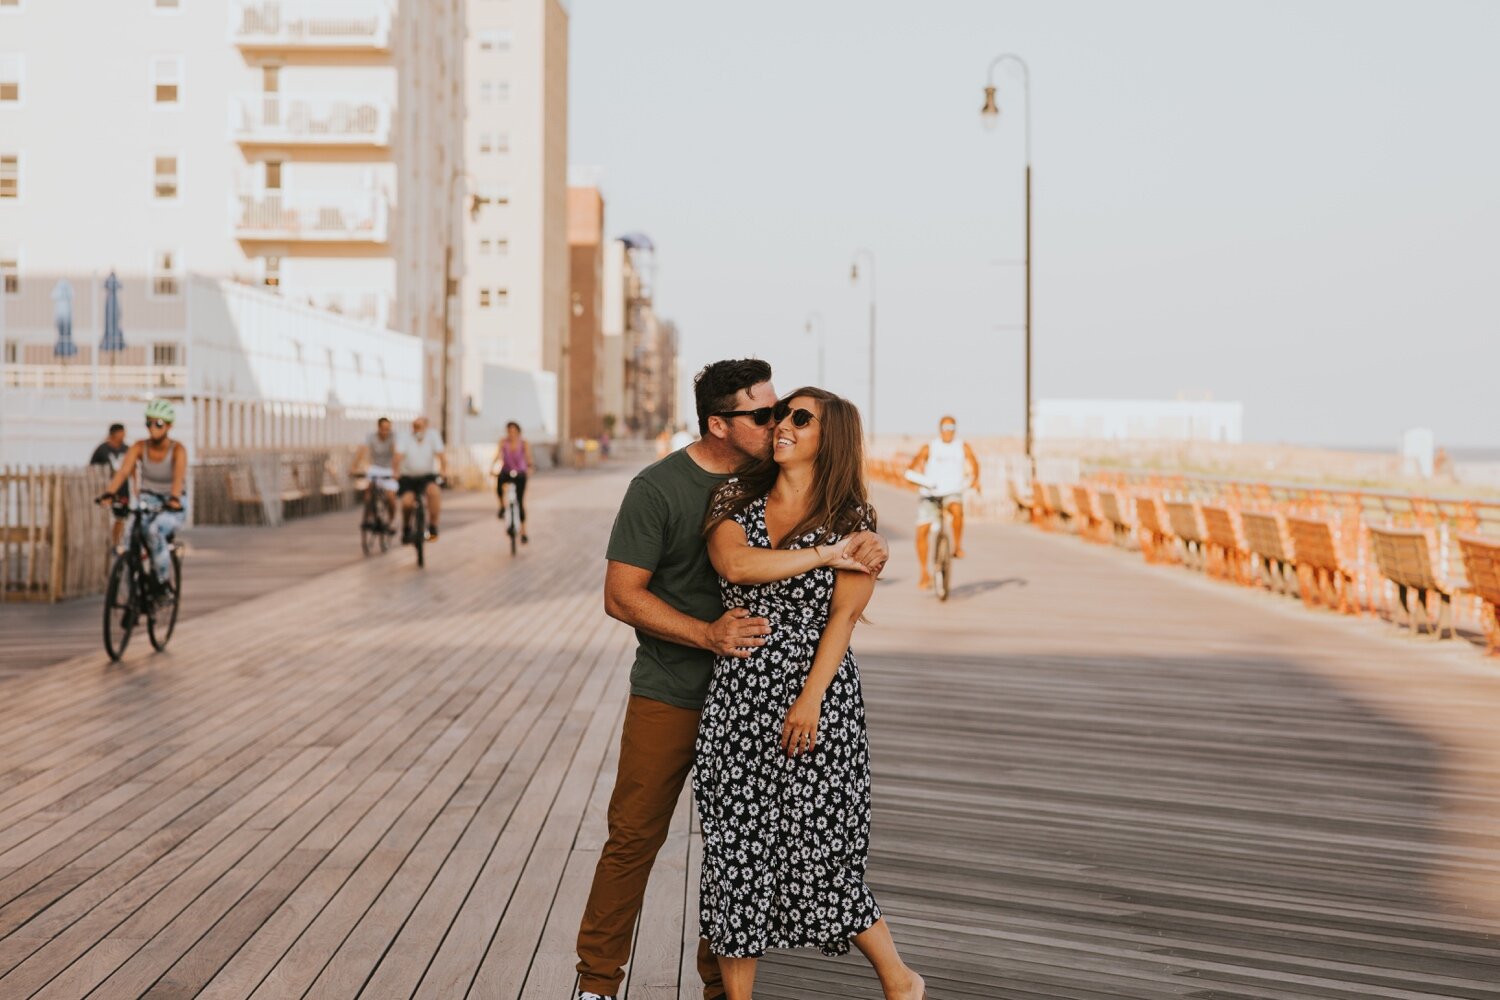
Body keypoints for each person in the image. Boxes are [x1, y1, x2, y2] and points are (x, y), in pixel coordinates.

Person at [575, 360, 890, 1000]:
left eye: (783, 411)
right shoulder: (661, 488)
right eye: (762, 415)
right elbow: (620, 595)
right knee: (634, 837)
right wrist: (707, 635)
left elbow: (843, 551)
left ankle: (721, 986)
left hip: (759, 698)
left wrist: (868, 547)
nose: (776, 423)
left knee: (740, 845)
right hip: (673, 688)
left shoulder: (776, 482)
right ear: (719, 424)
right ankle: (597, 986)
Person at [697, 388, 924, 1000]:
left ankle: (901, 982)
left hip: (816, 696)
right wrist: (824, 554)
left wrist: (809, 699)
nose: (783, 426)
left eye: (801, 418)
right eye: (780, 415)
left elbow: (842, 621)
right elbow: (736, 567)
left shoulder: (856, 520)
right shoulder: (735, 496)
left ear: (833, 438)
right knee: (734, 858)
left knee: (821, 853)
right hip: (739, 697)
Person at [96, 400, 188, 600]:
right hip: (147, 499)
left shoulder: (177, 449)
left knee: (155, 532)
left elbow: (178, 478)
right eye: (149, 423)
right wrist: (109, 493)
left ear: (169, 426)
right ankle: (133, 596)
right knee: (130, 540)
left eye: (159, 424)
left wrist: (173, 498)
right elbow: (123, 472)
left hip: (172, 503)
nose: (153, 428)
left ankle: (162, 583)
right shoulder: (139, 447)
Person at [907, 414, 981, 590]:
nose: (949, 432)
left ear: (955, 430)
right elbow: (914, 466)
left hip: (952, 491)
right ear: (939, 429)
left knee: (957, 510)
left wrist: (976, 479)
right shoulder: (930, 447)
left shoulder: (962, 446)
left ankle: (957, 546)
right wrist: (915, 478)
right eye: (945, 428)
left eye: (952, 428)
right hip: (930, 492)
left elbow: (974, 463)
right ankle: (924, 572)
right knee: (922, 531)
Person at [397, 416, 446, 542]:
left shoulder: (433, 436)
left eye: (419, 426)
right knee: (407, 502)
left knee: (434, 492)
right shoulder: (405, 437)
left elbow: (441, 455)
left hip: (427, 476)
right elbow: (397, 456)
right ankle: (407, 527)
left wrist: (443, 470)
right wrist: (395, 471)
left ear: (426, 427)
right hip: (408, 477)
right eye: (414, 426)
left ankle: (433, 527)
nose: (416, 429)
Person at [352, 416, 401, 532]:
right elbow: (362, 451)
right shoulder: (371, 437)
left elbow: (396, 454)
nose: (385, 431)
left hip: (389, 469)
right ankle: (369, 517)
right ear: (378, 428)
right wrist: (354, 466)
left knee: (390, 496)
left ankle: (391, 520)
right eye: (383, 428)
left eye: (388, 429)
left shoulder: (393, 437)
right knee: (369, 490)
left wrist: (396, 470)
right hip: (375, 468)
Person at [491, 421, 535, 543]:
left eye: (514, 431)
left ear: (518, 432)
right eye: (509, 431)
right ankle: (502, 507)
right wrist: (492, 467)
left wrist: (530, 467)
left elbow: (528, 457)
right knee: (499, 486)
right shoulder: (503, 442)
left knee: (520, 502)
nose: (512, 434)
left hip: (520, 473)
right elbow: (497, 455)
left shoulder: (524, 443)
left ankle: (524, 531)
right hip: (506, 471)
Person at [90, 423, 130, 546]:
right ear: (114, 434)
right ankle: (106, 543)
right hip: (106, 489)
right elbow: (92, 468)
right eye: (121, 433)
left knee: (121, 518)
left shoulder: (127, 449)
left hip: (123, 490)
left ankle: (115, 543)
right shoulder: (102, 449)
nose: (123, 436)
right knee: (106, 518)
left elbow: (132, 469)